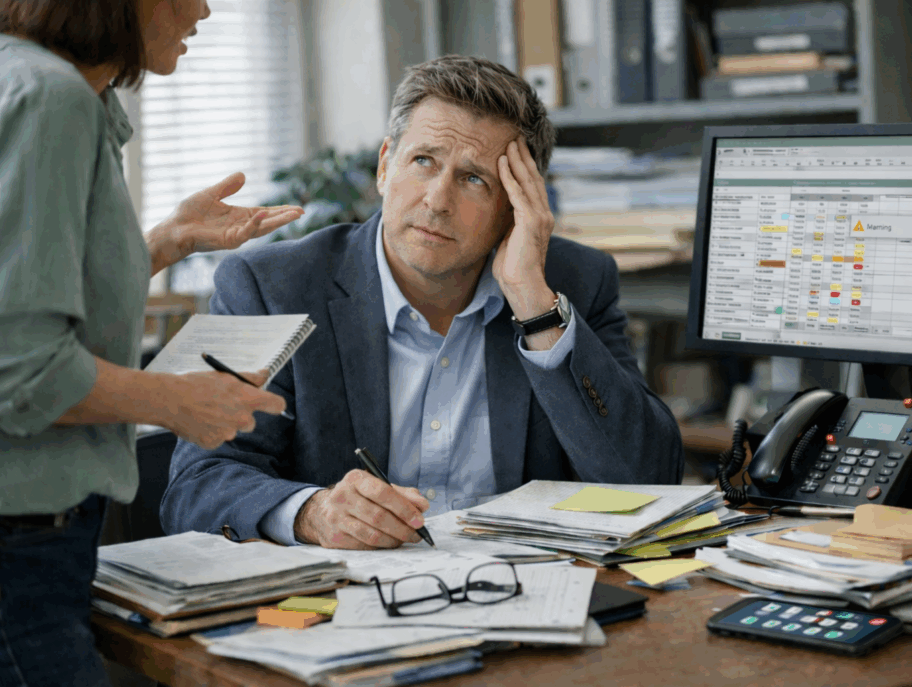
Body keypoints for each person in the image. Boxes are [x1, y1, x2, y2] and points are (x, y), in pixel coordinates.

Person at [161, 55, 686, 552]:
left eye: (474, 179)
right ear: (386, 166)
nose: (437, 200)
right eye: (423, 161)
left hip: (524, 595)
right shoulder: (265, 286)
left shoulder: (573, 282)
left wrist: (534, 304)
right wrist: (313, 513)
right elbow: (196, 483)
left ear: (516, 206)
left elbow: (646, 479)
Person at [0, 1, 303, 684]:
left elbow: (24, 289)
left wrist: (163, 242)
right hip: (19, 541)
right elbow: (21, 368)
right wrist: (179, 402)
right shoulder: (52, 98)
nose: (204, 8)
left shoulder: (44, 83)